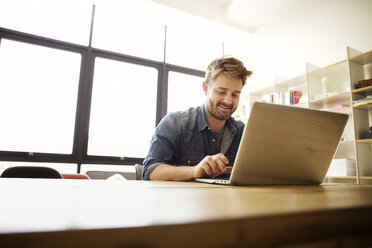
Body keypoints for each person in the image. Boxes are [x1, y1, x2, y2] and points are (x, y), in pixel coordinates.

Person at [142, 57, 252, 181]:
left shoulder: (243, 132)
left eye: (235, 94)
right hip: (182, 200)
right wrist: (194, 171)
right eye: (221, 92)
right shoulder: (175, 123)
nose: (228, 101)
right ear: (205, 88)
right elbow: (150, 172)